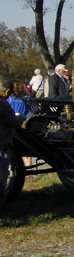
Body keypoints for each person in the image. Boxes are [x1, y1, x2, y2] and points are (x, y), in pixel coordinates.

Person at [0, 81, 21, 211]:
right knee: (1, 176)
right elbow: (13, 122)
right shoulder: (3, 104)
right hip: (2, 143)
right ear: (6, 91)